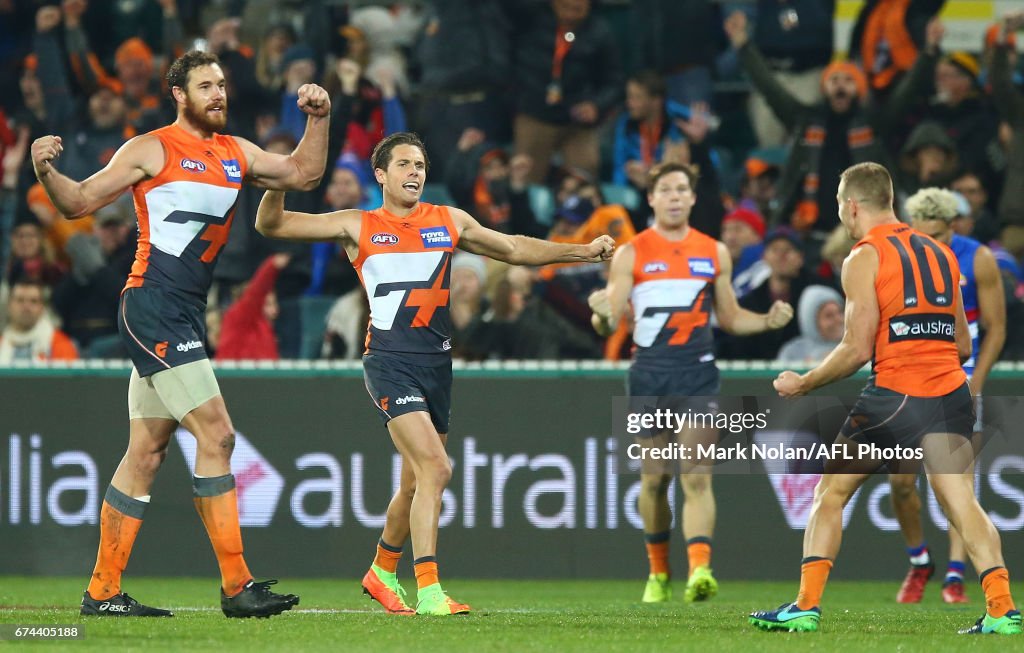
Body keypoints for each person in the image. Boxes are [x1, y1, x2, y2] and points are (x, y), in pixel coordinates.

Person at [253, 131, 614, 616]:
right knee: (437, 469)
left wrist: (582, 251)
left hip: (437, 366)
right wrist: (281, 176)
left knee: (412, 484)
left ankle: (380, 572)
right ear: (380, 175)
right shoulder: (356, 225)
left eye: (420, 165)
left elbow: (512, 247)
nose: (415, 173)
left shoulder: (449, 220)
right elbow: (270, 224)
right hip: (389, 363)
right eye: (403, 164)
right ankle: (428, 591)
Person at [30, 49, 331, 618]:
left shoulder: (235, 152)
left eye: (222, 84)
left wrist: (319, 118)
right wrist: (46, 169)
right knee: (217, 437)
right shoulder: (150, 148)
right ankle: (237, 587)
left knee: (145, 453)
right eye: (205, 85)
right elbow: (77, 204)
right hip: (153, 307)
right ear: (179, 94)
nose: (218, 93)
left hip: (183, 312)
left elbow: (304, 174)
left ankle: (102, 592)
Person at [751, 162, 1021, 635]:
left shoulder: (864, 256)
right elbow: (962, 345)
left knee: (829, 494)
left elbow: (856, 348)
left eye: (840, 206)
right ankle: (1001, 608)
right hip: (951, 394)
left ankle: (805, 606)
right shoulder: (942, 254)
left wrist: (804, 382)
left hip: (895, 397)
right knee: (960, 502)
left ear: (852, 206)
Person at [587, 161, 793, 604]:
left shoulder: (714, 252)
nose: (675, 196)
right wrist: (600, 312)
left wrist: (767, 321)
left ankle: (700, 569)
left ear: (694, 197)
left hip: (698, 374)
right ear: (652, 198)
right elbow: (609, 324)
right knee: (654, 480)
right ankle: (658, 573)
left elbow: (731, 318)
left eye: (683, 188)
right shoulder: (632, 253)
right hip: (649, 376)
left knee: (696, 477)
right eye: (666, 189)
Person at [888, 187, 1006, 605]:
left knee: (957, 484)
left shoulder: (977, 259)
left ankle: (955, 576)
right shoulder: (901, 258)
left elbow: (995, 327)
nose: (928, 245)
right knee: (901, 483)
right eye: (921, 236)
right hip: (907, 376)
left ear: (952, 227)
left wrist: (976, 381)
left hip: (958, 373)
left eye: (936, 236)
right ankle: (920, 561)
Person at [0, 279, 78, 363]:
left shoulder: (61, 344)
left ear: (42, 307)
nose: (26, 307)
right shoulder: (1, 343)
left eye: (33, 301)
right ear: (9, 306)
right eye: (20, 300)